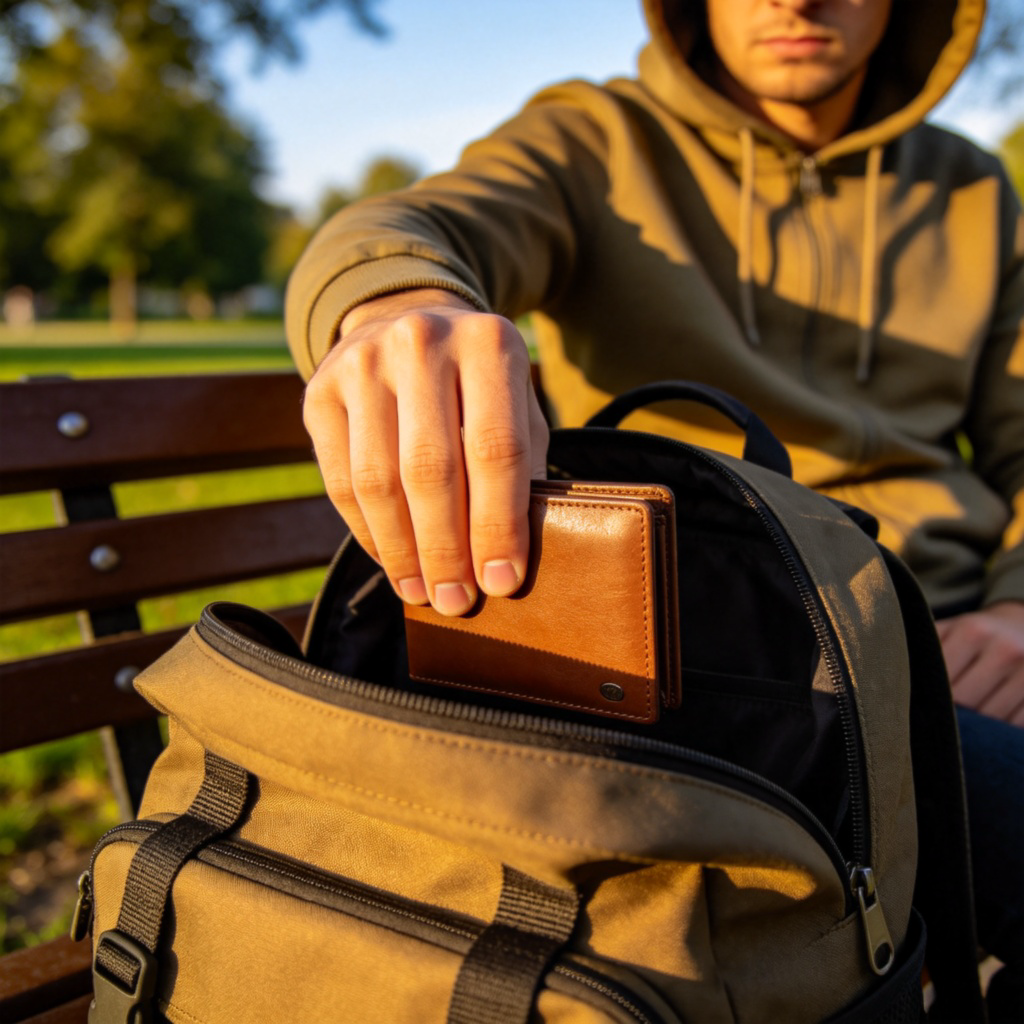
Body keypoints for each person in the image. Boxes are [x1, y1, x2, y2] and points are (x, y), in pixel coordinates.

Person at [286, 0, 1023, 1016]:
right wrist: (396, 302)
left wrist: (1018, 608)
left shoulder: (972, 187)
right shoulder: (594, 138)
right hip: (710, 659)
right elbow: (411, 227)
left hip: (949, 640)